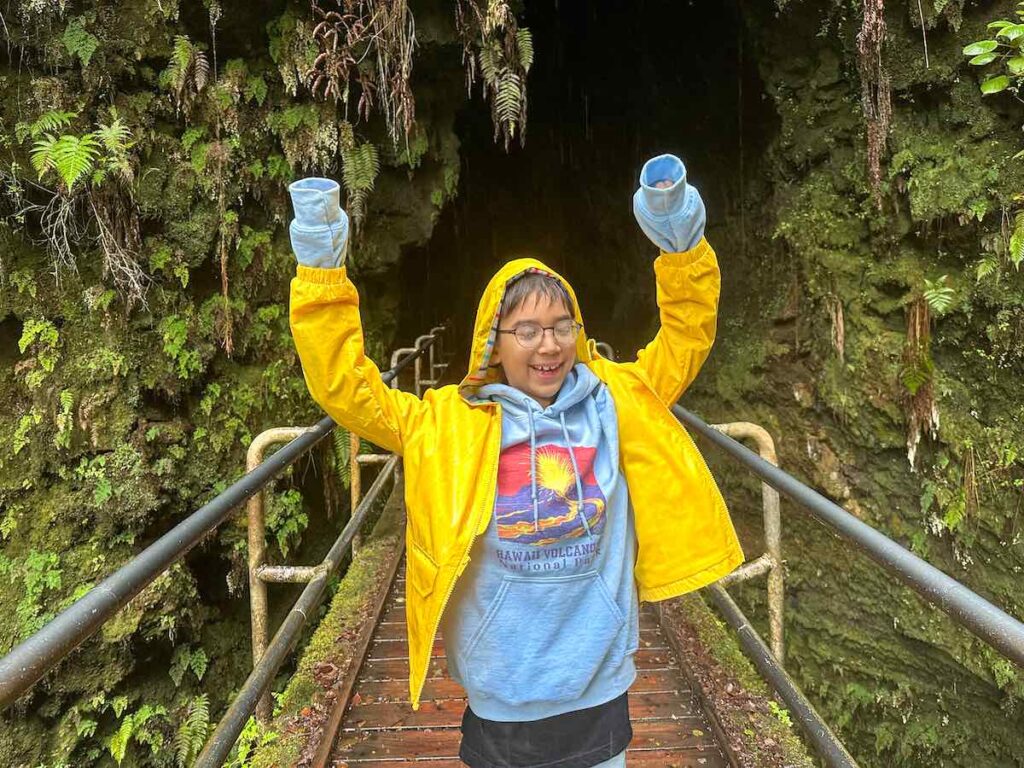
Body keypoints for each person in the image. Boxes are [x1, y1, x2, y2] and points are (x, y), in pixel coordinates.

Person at [287, 153, 744, 768]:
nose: (549, 344)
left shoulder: (620, 400)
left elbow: (687, 336)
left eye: (562, 326)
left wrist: (681, 241)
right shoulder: (446, 421)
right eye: (526, 330)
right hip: (503, 688)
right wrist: (320, 263)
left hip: (599, 684)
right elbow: (345, 386)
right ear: (493, 345)